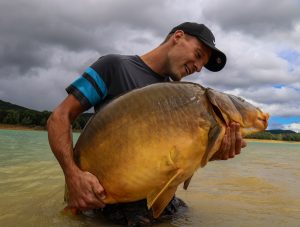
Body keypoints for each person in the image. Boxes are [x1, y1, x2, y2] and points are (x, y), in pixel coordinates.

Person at [47, 22, 246, 225]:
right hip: (113, 209)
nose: (197, 67)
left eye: (201, 65)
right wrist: (72, 175)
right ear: (177, 36)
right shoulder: (114, 67)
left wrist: (211, 154)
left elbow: (173, 159)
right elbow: (59, 117)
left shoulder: (180, 97)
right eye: (198, 55)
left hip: (161, 208)